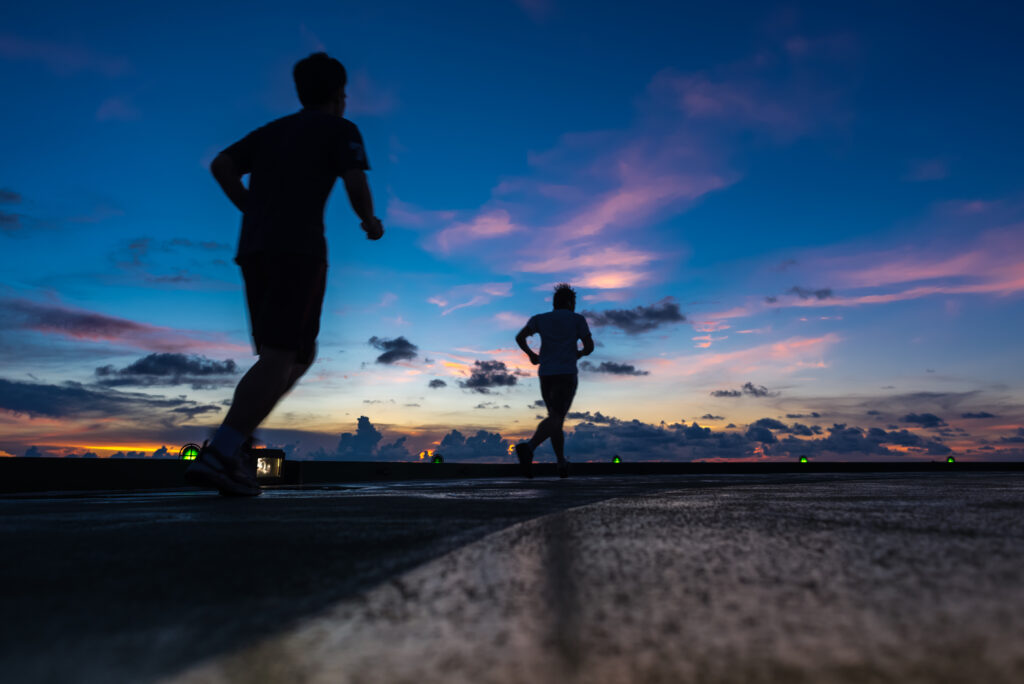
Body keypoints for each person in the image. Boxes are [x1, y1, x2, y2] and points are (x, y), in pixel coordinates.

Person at [186, 52, 384, 496]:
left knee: (298, 352)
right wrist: (370, 222)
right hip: (298, 250)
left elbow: (221, 164)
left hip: (254, 248)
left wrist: (250, 206)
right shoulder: (340, 129)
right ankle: (222, 452)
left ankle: (236, 439)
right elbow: (355, 180)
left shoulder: (273, 131)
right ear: (339, 93)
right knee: (281, 355)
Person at [514, 283, 595, 478]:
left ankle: (560, 463)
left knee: (555, 418)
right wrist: (580, 353)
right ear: (569, 301)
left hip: (546, 374)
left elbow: (520, 337)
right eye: (574, 301)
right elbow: (590, 346)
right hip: (566, 373)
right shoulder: (577, 319)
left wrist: (532, 356)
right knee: (557, 417)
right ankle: (529, 447)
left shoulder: (540, 319)